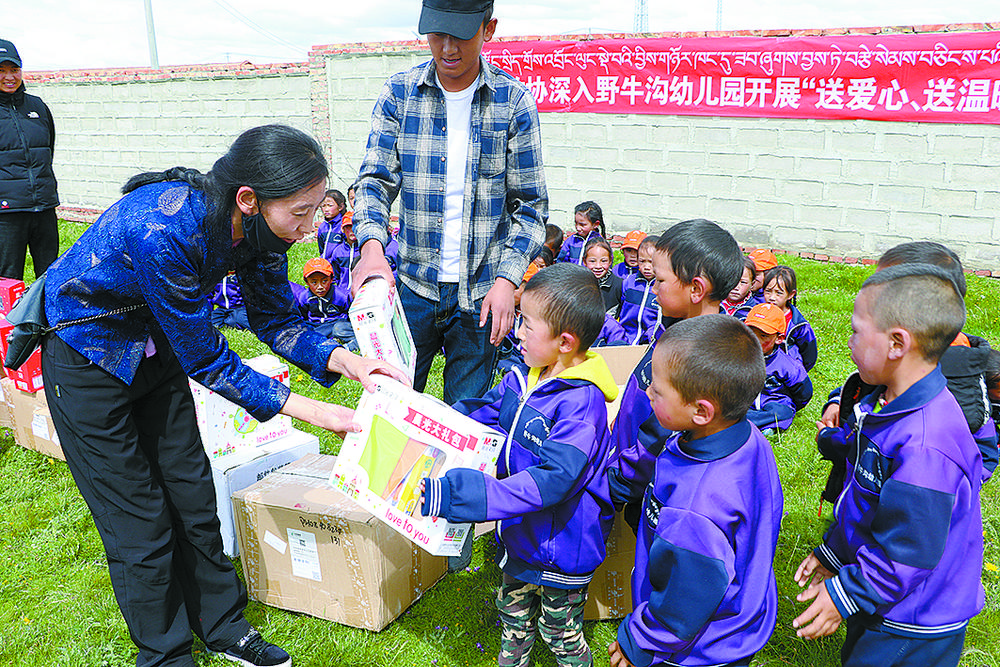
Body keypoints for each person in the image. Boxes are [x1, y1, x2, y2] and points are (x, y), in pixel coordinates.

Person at [40, 124, 408, 667]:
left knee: (191, 495)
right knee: (138, 519)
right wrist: (314, 412)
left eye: (314, 211)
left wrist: (352, 361)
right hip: (87, 358)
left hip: (155, 350)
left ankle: (223, 626)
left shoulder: (261, 234)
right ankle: (166, 654)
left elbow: (278, 320)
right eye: (300, 212)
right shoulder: (164, 227)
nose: (308, 229)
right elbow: (208, 358)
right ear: (249, 199)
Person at [351, 0, 548, 406]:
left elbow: (529, 209)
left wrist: (507, 280)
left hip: (481, 296)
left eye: (460, 35)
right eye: (436, 34)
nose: (447, 48)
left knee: (464, 417)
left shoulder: (512, 103)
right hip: (410, 288)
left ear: (488, 29)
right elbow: (374, 181)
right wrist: (371, 248)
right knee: (389, 405)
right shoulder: (400, 94)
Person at [420, 263, 617, 667]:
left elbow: (553, 481)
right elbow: (485, 412)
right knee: (512, 616)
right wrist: (425, 423)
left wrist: (469, 495)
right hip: (521, 532)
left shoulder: (580, 404)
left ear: (564, 341)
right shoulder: (525, 376)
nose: (517, 332)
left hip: (561, 547)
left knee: (558, 630)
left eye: (527, 324)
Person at [794, 263, 984, 667]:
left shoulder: (925, 445)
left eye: (856, 332)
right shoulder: (887, 404)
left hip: (914, 618)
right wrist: (834, 553)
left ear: (897, 344)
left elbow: (909, 552)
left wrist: (848, 593)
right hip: (890, 599)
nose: (847, 343)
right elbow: (870, 502)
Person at [607, 314, 783, 667]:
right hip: (734, 618)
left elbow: (684, 601)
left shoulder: (696, 506)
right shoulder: (747, 438)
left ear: (701, 411)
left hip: (692, 646)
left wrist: (638, 639)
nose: (647, 392)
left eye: (657, 389)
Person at [817, 241, 997, 497]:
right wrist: (837, 402)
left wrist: (953, 490)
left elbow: (982, 453)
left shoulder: (953, 397)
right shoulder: (897, 364)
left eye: (887, 290)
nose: (874, 297)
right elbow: (866, 391)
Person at [607, 219, 743, 531]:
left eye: (660, 280)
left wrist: (615, 486)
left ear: (695, 289)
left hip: (643, 491)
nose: (652, 289)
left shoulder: (697, 361)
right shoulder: (675, 330)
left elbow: (657, 438)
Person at [0, 39, 59, 281]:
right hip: (6, 213)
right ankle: (9, 319)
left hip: (44, 206)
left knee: (50, 273)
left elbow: (48, 150)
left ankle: (46, 318)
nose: (9, 77)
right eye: (1, 71)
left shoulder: (37, 106)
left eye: (14, 69)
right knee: (7, 278)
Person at [744, 303, 812, 433]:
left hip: (774, 403)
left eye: (763, 335)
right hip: (746, 403)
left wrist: (788, 404)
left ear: (779, 338)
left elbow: (804, 393)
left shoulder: (788, 365)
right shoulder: (737, 357)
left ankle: (756, 425)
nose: (755, 340)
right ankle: (760, 425)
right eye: (751, 333)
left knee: (783, 412)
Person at [289, 257, 357, 351]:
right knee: (302, 332)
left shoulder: (341, 296)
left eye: (324, 281)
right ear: (306, 282)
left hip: (336, 324)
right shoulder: (305, 297)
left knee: (339, 329)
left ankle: (353, 344)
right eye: (314, 282)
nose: (320, 287)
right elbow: (303, 315)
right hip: (316, 325)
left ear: (332, 279)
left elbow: (351, 314)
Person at [762, 264, 817, 372]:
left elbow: (810, 354)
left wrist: (797, 371)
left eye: (779, 293)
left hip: (786, 373)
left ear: (791, 294)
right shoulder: (756, 314)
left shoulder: (798, 325)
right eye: (768, 291)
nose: (772, 298)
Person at [617, 234, 660, 345]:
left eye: (651, 262)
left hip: (649, 343)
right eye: (642, 261)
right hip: (624, 339)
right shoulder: (629, 282)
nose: (646, 267)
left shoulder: (662, 287)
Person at [557, 200, 605, 264]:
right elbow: (561, 263)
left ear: (595, 224)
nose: (578, 227)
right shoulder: (570, 241)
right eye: (576, 223)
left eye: (582, 225)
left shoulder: (601, 243)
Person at [583, 237, 622, 316]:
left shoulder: (619, 285)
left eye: (603, 261)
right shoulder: (580, 284)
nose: (598, 266)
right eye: (592, 261)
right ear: (584, 261)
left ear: (610, 261)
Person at [316, 188, 346, 255]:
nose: (326, 209)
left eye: (330, 205)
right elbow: (321, 249)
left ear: (340, 207)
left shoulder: (344, 225)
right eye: (323, 206)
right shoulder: (322, 227)